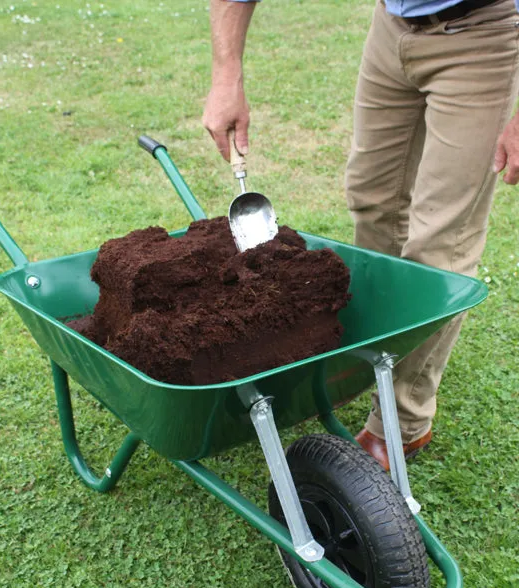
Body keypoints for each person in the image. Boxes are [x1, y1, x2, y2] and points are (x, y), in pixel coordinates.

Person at [203, 0, 519, 470]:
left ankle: (404, 422)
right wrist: (227, 72)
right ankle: (374, 361)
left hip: (481, 30)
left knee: (440, 241)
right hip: (392, 24)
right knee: (374, 202)